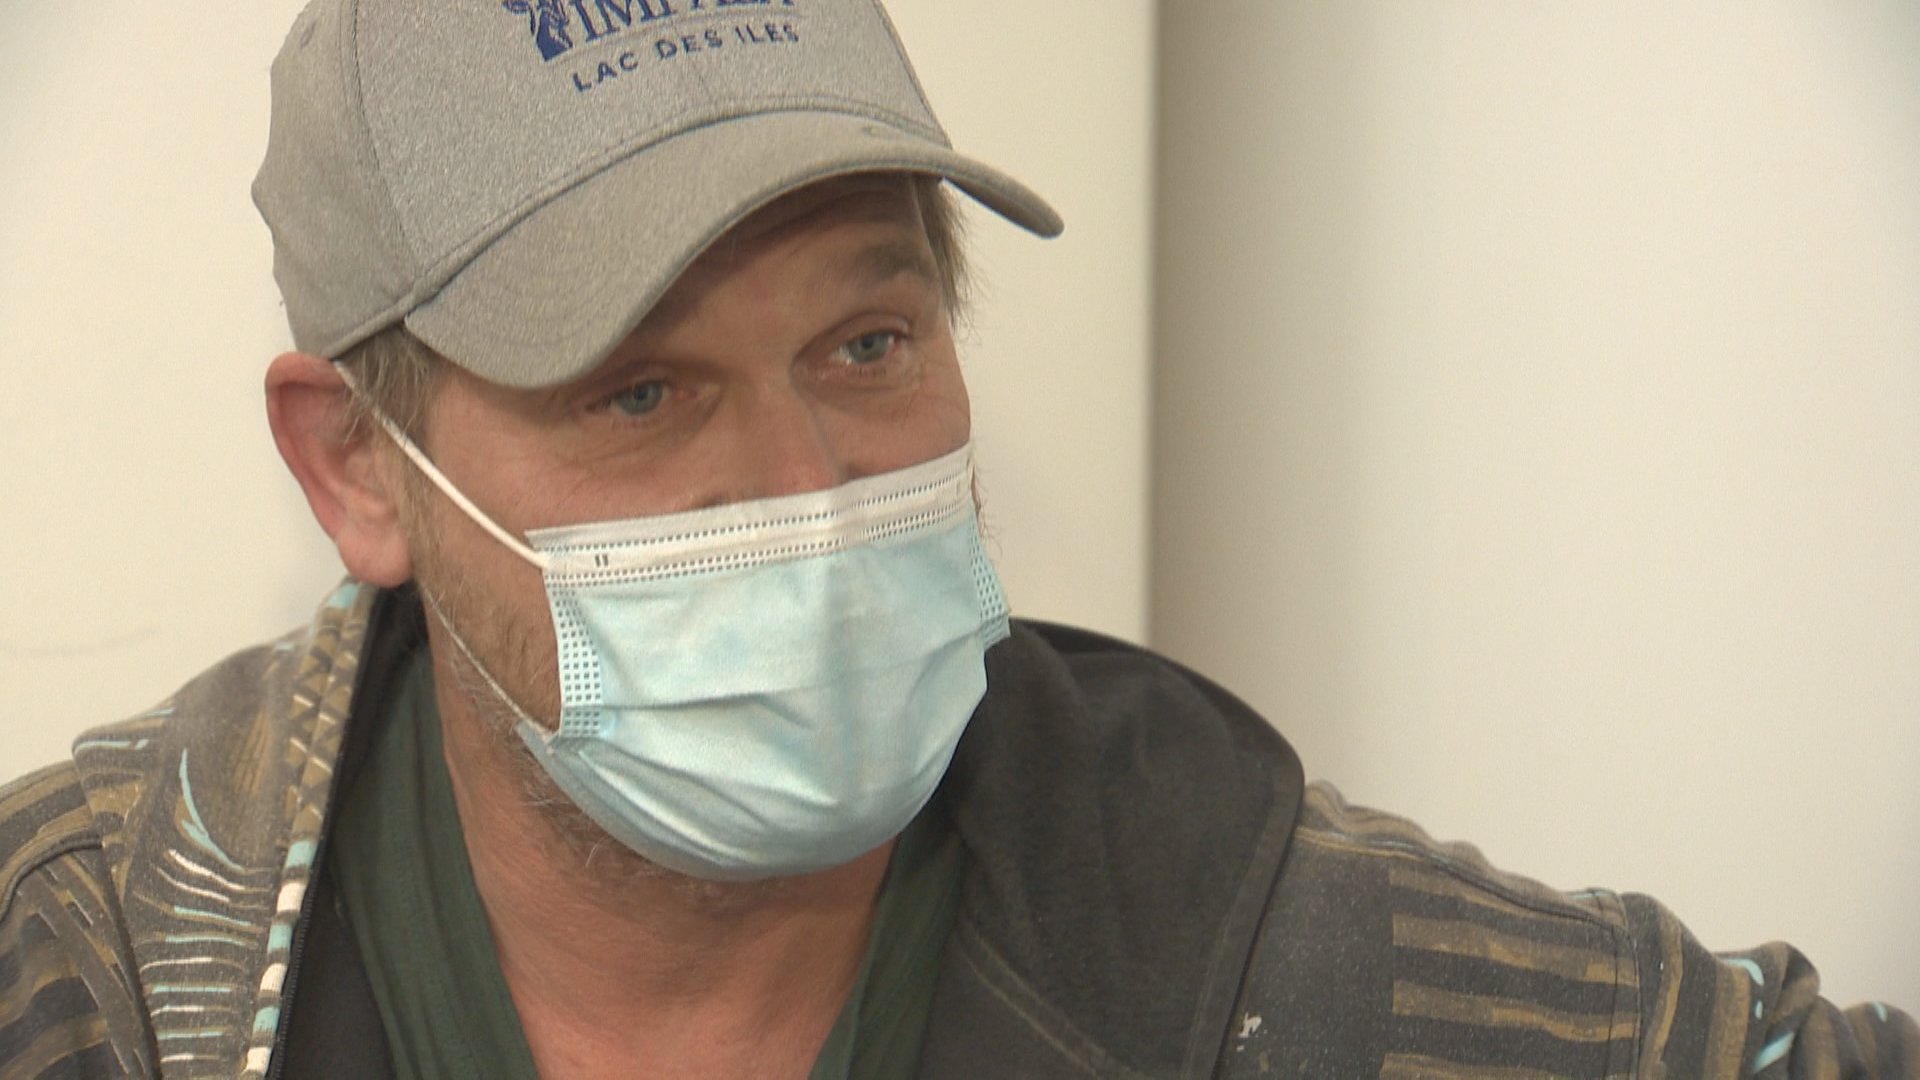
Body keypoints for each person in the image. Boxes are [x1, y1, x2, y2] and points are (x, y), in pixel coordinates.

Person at [0, 0, 1912, 1076]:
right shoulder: (83, 962)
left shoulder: (1274, 953)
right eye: (639, 392)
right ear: (359, 472)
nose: (813, 484)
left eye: (869, 341)